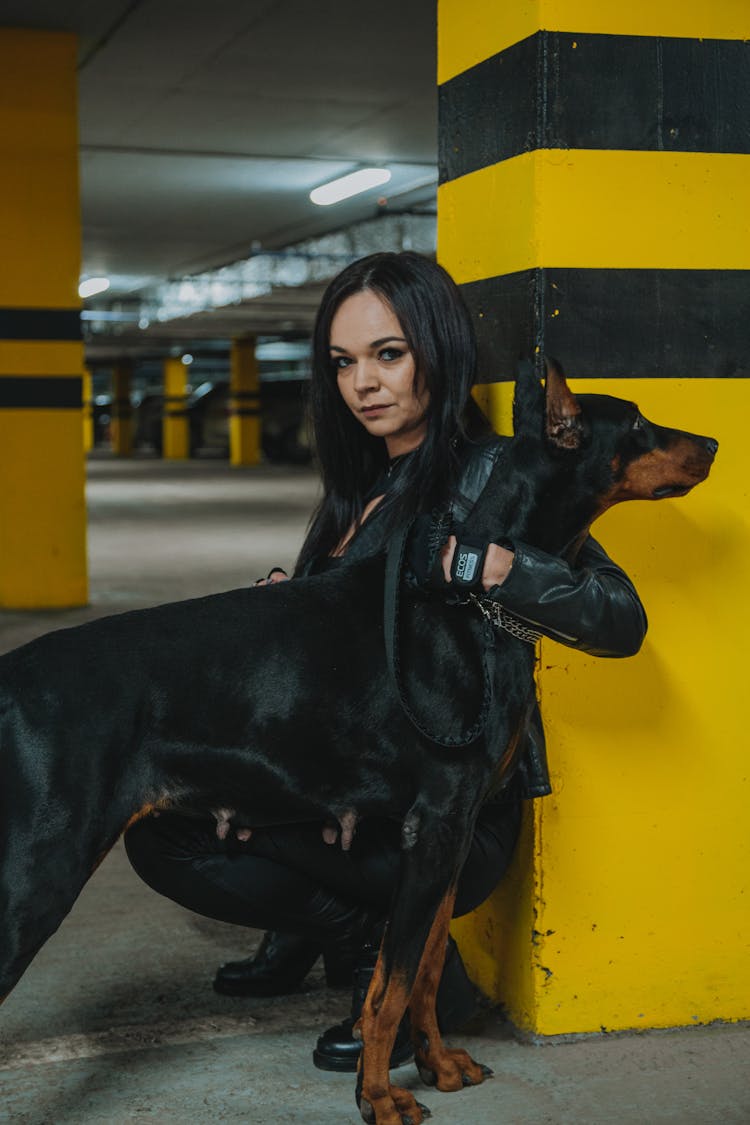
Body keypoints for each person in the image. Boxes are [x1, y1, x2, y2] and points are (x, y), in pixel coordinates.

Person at [125, 251, 646, 1072]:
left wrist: (497, 565)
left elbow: (620, 618)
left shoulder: (491, 479)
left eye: (388, 354)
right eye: (344, 361)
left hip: (443, 812)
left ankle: (391, 965)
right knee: (163, 823)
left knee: (201, 822)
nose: (363, 382)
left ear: (438, 350)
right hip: (354, 783)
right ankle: (320, 934)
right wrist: (284, 609)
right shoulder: (360, 482)